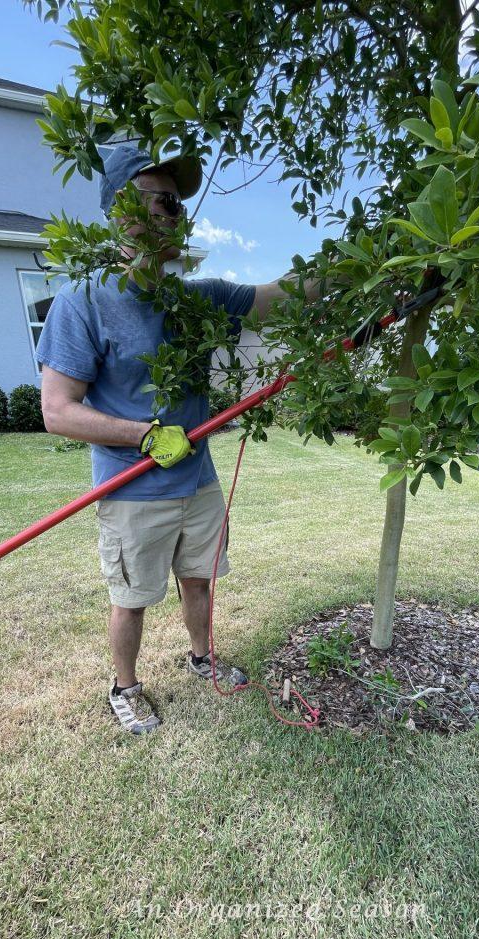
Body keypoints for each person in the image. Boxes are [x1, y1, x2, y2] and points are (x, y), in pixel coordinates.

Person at [37, 142, 321, 736]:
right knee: (133, 596)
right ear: (124, 210)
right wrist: (143, 435)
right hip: (133, 489)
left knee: (199, 577)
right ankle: (125, 687)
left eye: (178, 203)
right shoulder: (83, 302)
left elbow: (278, 298)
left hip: (199, 481)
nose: (177, 214)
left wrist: (356, 270)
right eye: (164, 201)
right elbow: (58, 411)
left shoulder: (197, 299)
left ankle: (202, 656)